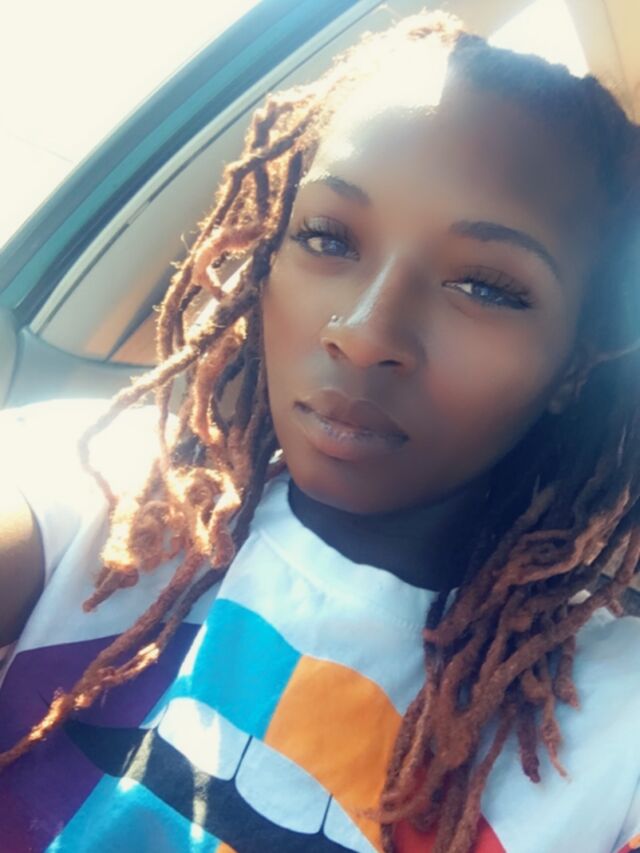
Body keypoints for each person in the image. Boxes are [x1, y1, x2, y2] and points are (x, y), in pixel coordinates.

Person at [1, 9, 639, 853]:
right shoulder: (126, 494)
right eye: (328, 237)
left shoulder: (613, 718)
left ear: (576, 364)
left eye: (486, 287)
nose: (366, 332)